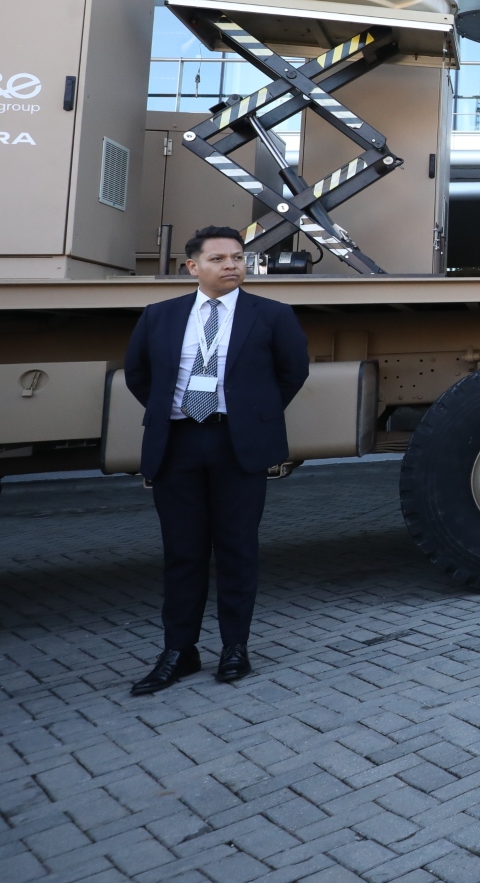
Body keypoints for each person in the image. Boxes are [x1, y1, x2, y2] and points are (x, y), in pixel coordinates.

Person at [124, 227, 309, 695]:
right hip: (179, 445)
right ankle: (178, 652)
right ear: (193, 267)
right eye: (220, 258)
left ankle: (234, 649)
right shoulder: (159, 317)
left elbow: (293, 372)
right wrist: (177, 413)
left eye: (238, 258)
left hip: (237, 446)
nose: (232, 265)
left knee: (237, 550)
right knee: (182, 554)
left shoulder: (272, 316)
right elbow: (138, 375)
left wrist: (252, 416)